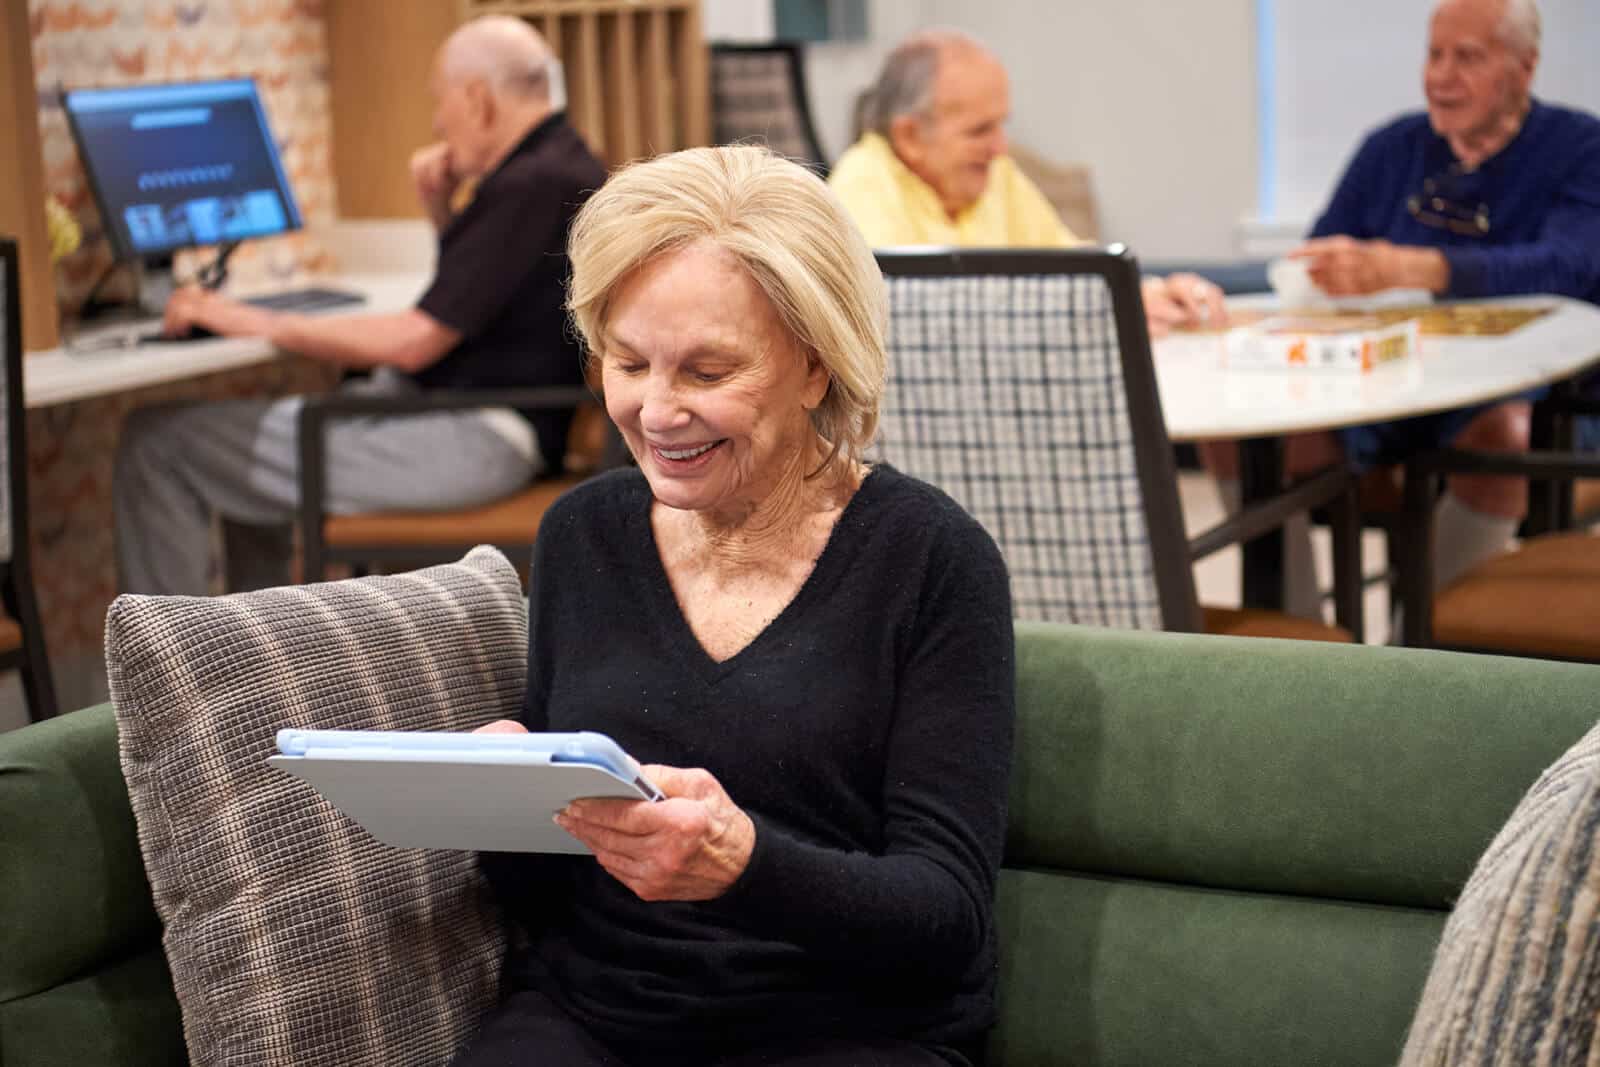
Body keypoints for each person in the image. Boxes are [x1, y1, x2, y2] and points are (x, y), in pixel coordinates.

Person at [454, 145, 1015, 1066]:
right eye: (629, 361)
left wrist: (745, 862)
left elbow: (945, 915)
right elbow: (544, 898)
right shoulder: (582, 535)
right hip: (596, 1016)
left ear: (816, 368)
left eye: (709, 372)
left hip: (846, 1027)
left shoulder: (932, 561)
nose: (657, 411)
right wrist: (505, 806)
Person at [113, 16, 607, 595]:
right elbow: (483, 304)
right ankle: (253, 660)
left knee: (158, 444)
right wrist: (440, 208)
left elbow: (415, 340)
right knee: (249, 444)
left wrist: (243, 318)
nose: (435, 122)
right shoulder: (561, 163)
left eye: (438, 101)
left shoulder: (529, 184)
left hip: (475, 437)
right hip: (477, 417)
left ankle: (170, 676)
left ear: (477, 99)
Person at [1210, 0, 1600, 612]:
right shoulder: (1391, 147)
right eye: (1434, 53)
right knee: (1233, 435)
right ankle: (1308, 650)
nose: (1441, 76)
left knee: (1505, 436)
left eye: (1467, 57)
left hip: (1531, 402)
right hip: (1382, 392)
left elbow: (1567, 267)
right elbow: (1319, 252)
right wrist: (1327, 271)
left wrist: (1411, 267)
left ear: (1524, 69)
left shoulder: (1581, 147)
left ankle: (1424, 646)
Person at [828, 28, 1227, 337]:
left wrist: (1148, 293)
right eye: (980, 130)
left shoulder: (992, 175)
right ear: (910, 137)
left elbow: (1075, 268)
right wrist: (1100, 310)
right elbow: (923, 323)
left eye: (1002, 125)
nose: (1000, 147)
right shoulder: (860, 189)